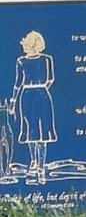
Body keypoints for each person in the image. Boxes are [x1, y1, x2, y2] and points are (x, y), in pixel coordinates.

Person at [12, 30, 55, 183]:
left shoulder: (46, 59)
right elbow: (18, 83)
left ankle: (41, 167)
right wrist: (13, 101)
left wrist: (40, 88)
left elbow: (50, 79)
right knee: (30, 131)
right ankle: (33, 163)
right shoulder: (21, 61)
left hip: (41, 95)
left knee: (43, 133)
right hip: (28, 96)